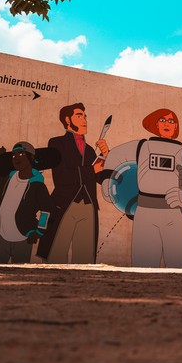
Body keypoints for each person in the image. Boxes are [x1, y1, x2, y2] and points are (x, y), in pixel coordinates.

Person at [101, 108, 182, 268]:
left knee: (179, 266)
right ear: (155, 124)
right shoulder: (142, 147)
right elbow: (115, 156)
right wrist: (109, 184)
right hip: (145, 213)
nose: (167, 124)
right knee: (142, 265)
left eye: (171, 121)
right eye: (162, 120)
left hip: (175, 215)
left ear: (176, 127)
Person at [37, 103, 109, 264]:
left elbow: (99, 178)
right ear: (67, 120)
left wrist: (106, 156)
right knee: (55, 253)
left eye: (85, 116)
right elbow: (61, 177)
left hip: (88, 205)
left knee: (85, 257)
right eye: (79, 116)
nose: (84, 119)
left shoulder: (90, 151)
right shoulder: (57, 143)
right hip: (64, 203)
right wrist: (92, 170)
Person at [0, 142, 52, 264]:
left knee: (20, 275)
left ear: (31, 157)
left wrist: (38, 232)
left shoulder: (38, 185)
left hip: (23, 238)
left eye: (21, 154)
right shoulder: (8, 179)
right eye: (13, 155)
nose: (16, 158)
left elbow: (46, 211)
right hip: (1, 237)